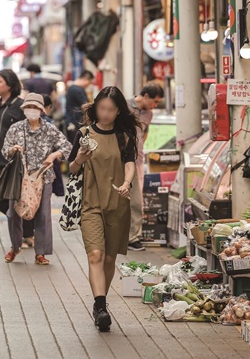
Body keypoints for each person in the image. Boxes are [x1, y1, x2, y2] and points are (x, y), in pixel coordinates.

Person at [68, 86, 142, 332]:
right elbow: (71, 169)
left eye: (111, 109)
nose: (106, 113)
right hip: (90, 204)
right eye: (102, 108)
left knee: (110, 258)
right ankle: (100, 307)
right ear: (96, 106)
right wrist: (80, 158)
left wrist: (126, 183)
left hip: (117, 203)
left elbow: (130, 164)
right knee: (95, 255)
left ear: (118, 110)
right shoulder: (83, 134)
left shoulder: (124, 137)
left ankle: (102, 301)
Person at [1, 93, 72, 266]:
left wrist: (54, 155)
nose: (31, 111)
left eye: (35, 108)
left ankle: (40, 253)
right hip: (19, 178)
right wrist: (12, 150)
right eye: (28, 107)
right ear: (24, 109)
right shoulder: (16, 128)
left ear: (41, 110)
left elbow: (67, 146)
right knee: (13, 213)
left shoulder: (50, 129)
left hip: (43, 177)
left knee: (43, 214)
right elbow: (4, 150)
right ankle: (15, 246)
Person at [0, 70, 36, 246]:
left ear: (9, 84)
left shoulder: (20, 106)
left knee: (19, 196)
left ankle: (27, 231)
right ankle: (21, 220)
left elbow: (32, 129)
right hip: (1, 158)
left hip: (17, 159)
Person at [128, 83, 165, 251]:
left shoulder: (148, 114)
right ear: (146, 96)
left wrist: (139, 147)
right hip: (119, 161)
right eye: (155, 102)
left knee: (136, 201)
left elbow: (145, 132)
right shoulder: (125, 107)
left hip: (137, 162)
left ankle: (133, 237)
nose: (155, 106)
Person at [42, 94, 65, 198]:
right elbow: (63, 146)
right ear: (48, 107)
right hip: (49, 165)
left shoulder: (24, 124)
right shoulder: (50, 123)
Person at [65, 70, 94, 140]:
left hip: (72, 122)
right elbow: (85, 105)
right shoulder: (77, 90)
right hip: (75, 123)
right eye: (89, 82)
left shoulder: (73, 88)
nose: (89, 85)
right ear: (85, 79)